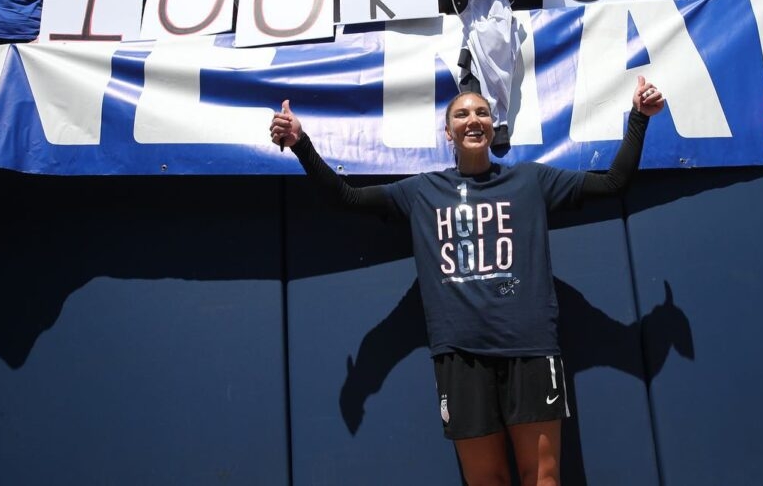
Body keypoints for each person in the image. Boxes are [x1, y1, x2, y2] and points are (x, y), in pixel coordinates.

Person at [269, 78, 665, 486]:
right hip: (460, 356)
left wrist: (639, 117)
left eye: (482, 113)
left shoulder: (531, 181)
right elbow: (345, 198)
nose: (473, 120)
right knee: (486, 480)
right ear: (448, 132)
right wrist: (301, 143)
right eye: (462, 114)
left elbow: (615, 183)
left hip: (531, 349)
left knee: (543, 477)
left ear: (494, 127)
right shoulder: (423, 191)